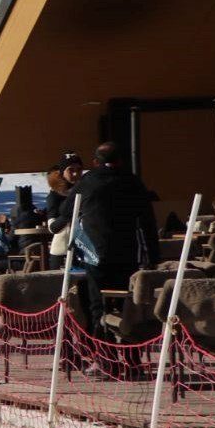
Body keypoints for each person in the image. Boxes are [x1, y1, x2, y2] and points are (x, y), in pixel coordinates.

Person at [65, 142, 160, 340]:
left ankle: (104, 356)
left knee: (98, 304)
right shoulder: (132, 181)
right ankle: (130, 356)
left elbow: (66, 211)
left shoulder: (88, 181)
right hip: (127, 252)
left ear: (94, 162)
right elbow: (148, 221)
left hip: (95, 253)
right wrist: (153, 255)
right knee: (128, 304)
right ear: (119, 161)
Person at [45, 151, 85, 269]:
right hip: (63, 251)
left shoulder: (86, 189)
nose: (75, 173)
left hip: (86, 250)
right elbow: (52, 227)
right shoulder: (55, 195)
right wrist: (69, 214)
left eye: (79, 169)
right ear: (62, 172)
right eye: (70, 170)